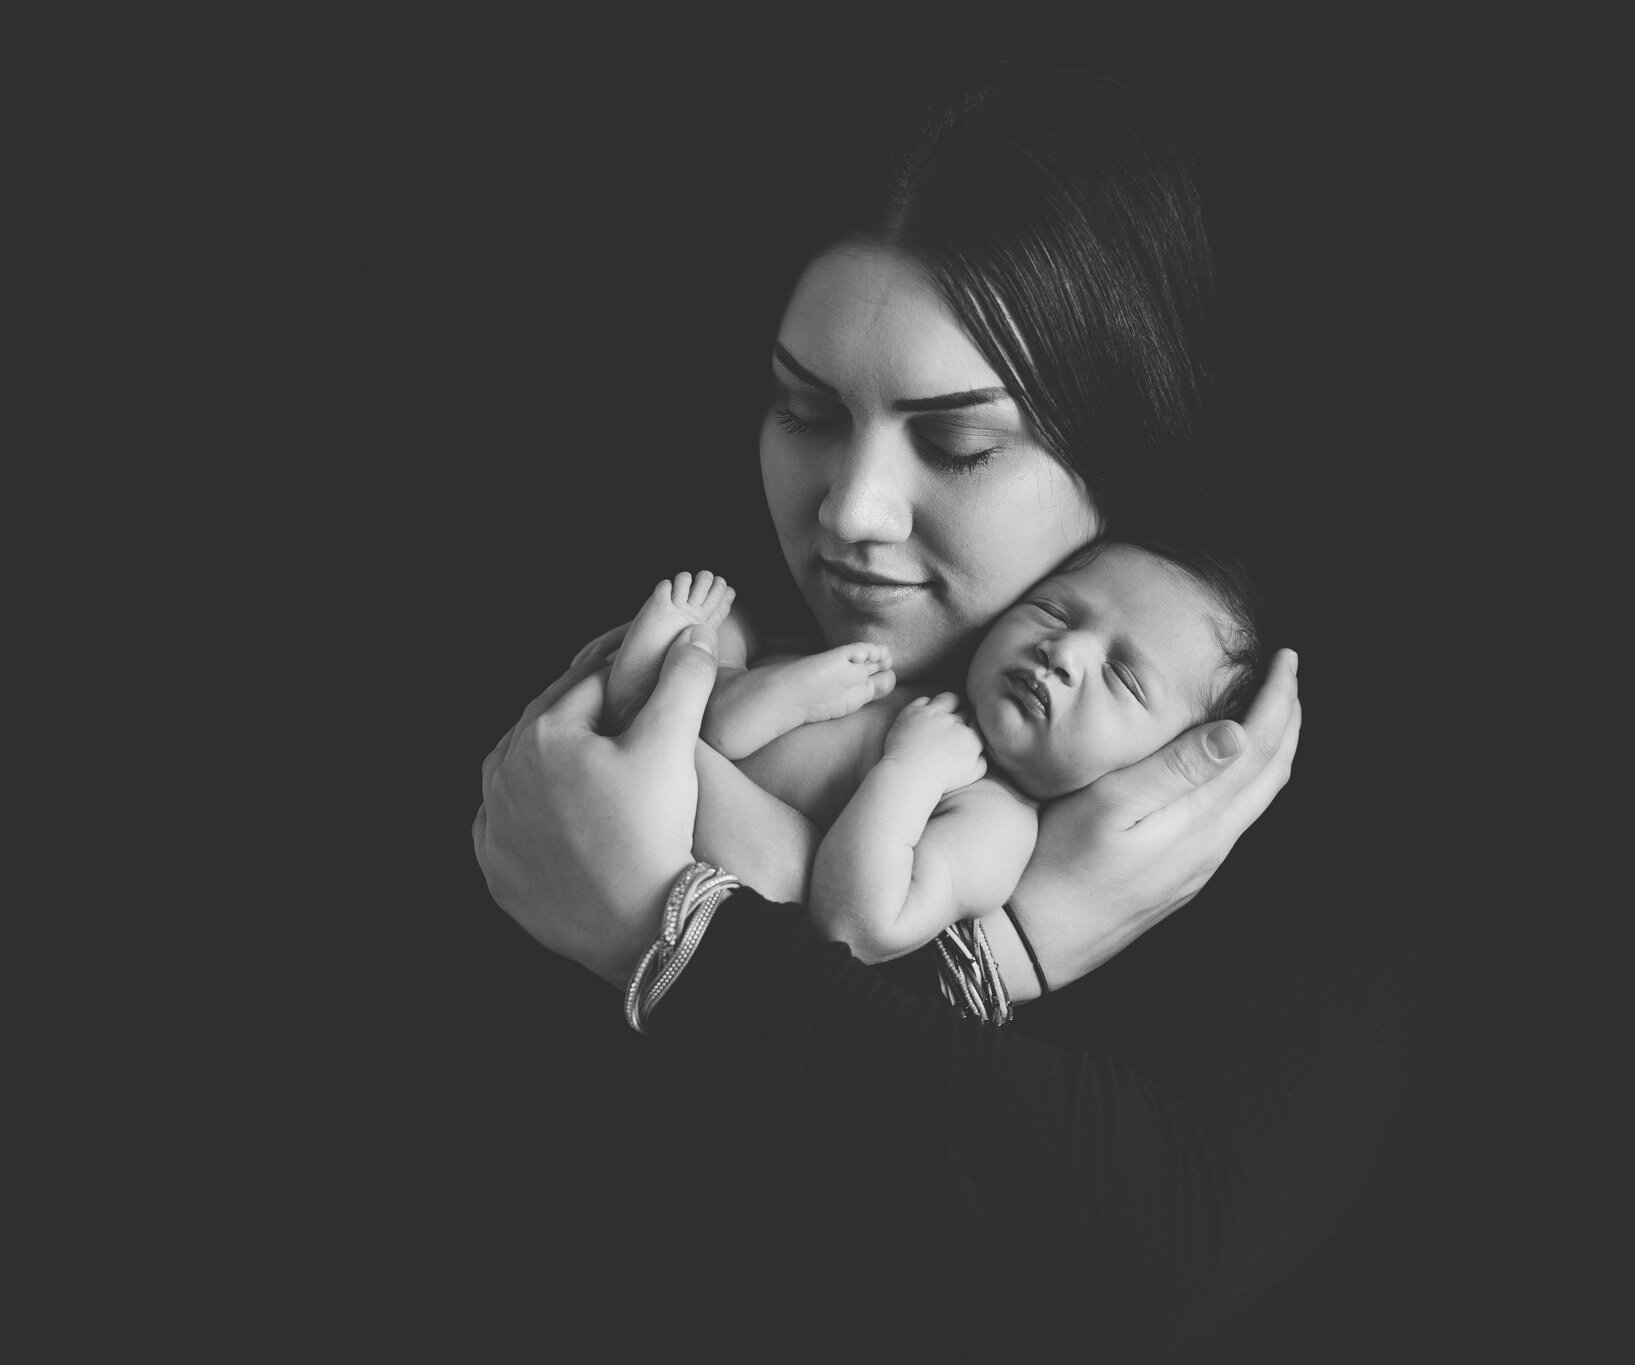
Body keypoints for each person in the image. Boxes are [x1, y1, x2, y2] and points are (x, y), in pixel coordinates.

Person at [473, 66, 1455, 1357]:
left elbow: (1167, 1248)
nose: (850, 515)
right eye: (807, 411)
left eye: (959, 444)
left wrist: (680, 936)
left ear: (1126, 436)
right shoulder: (689, 672)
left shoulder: (1291, 773)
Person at [604, 540, 1272, 983]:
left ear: (1152, 765)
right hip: (703, 761)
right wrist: (790, 691)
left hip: (691, 857)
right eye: (1052, 609)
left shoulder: (996, 822)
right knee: (724, 653)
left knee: (770, 850)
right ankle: (669, 700)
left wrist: (908, 774)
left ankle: (643, 707)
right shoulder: (924, 682)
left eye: (1122, 677)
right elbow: (737, 738)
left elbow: (858, 924)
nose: (1063, 652)